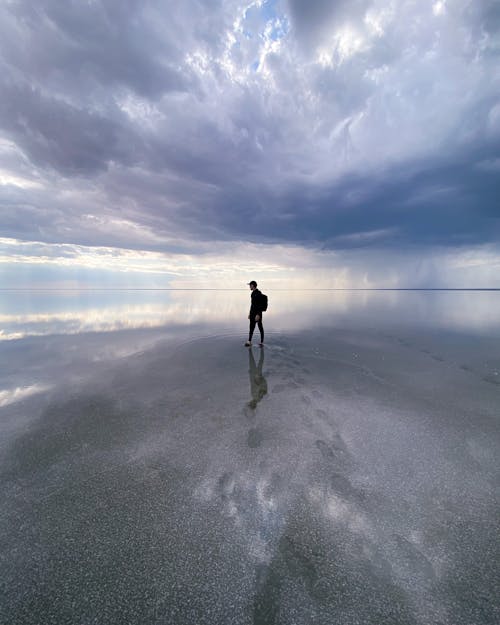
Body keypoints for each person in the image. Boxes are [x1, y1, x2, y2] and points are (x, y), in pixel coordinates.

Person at [245, 280, 264, 347]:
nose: (249, 286)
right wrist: (250, 313)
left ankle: (261, 342)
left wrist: (258, 315)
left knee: (260, 327)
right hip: (253, 313)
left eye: (250, 285)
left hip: (258, 314)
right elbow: (252, 305)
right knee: (251, 327)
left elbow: (260, 305)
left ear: (253, 285)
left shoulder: (258, 293)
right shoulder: (252, 293)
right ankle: (249, 341)